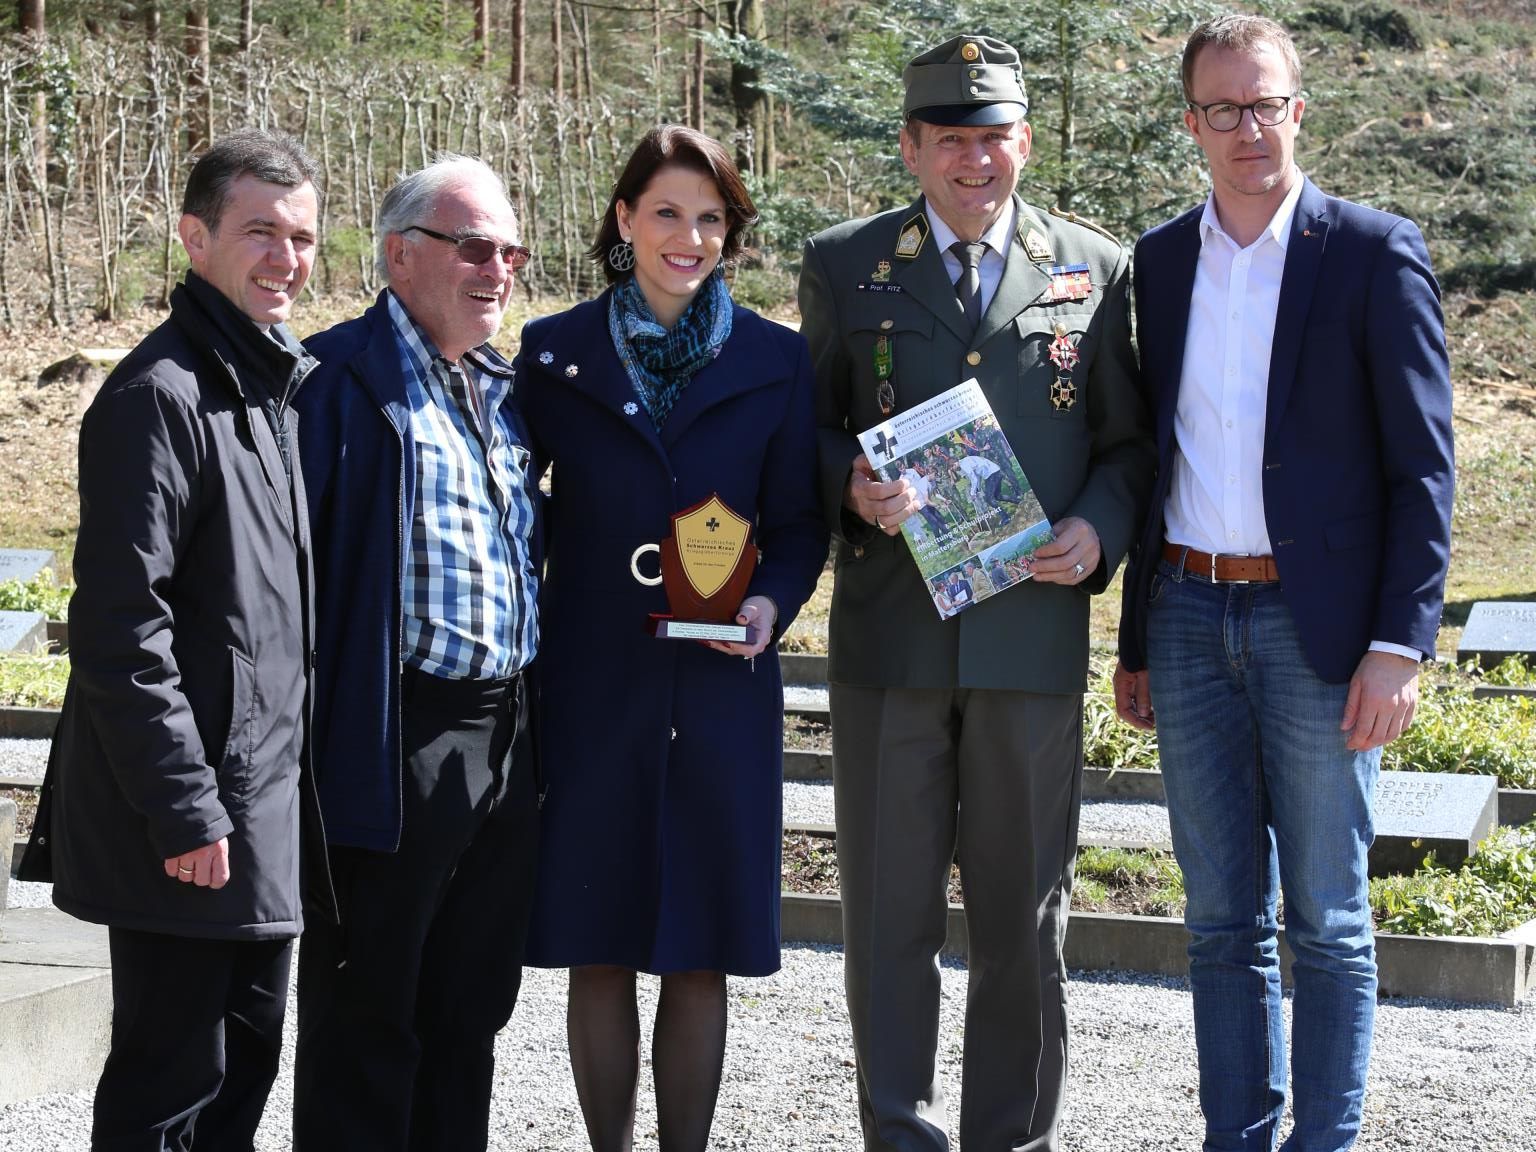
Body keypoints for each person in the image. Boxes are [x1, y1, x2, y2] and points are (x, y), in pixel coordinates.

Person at [798, 34, 1154, 1150]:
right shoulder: (845, 262)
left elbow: (1130, 446)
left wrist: (1097, 529)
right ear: (911, 147)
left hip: (1030, 645)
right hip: (891, 648)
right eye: (951, 140)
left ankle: (1013, 1138)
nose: (975, 161)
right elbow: (803, 428)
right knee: (888, 922)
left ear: (1025, 143)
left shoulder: (1093, 266)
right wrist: (846, 485)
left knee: (1021, 923)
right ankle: (899, 1134)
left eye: (994, 138)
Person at [1112, 14, 1454, 1151]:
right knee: (1219, 923)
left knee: (1330, 919)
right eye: (1223, 108)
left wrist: (1400, 646)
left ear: (1298, 109)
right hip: (1191, 615)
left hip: (1324, 635)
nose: (1247, 128)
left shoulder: (1369, 251)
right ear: (1192, 124)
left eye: (1265, 103)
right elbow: (1151, 456)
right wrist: (1134, 643)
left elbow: (1422, 469)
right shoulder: (1158, 264)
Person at [16, 128, 331, 1149]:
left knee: (239, 1078)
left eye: (304, 237)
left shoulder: (268, 389)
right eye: (260, 233)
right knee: (171, 1090)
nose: (286, 258)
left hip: (258, 808)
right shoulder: (161, 398)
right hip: (191, 821)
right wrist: (187, 808)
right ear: (195, 238)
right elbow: (118, 629)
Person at [513, 124, 826, 1152]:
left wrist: (772, 604)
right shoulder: (554, 354)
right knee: (596, 943)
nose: (688, 237)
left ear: (730, 231)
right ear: (623, 221)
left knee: (700, 947)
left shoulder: (780, 362)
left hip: (720, 687)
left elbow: (796, 524)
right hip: (595, 681)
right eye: (666, 214)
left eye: (709, 218)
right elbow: (521, 510)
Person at [291, 156, 542, 1152]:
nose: (498, 269)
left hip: (505, 737)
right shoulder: (328, 380)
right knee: (368, 1015)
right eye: (474, 247)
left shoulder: (505, 390)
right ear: (402, 253)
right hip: (390, 728)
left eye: (511, 251)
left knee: (469, 1012)